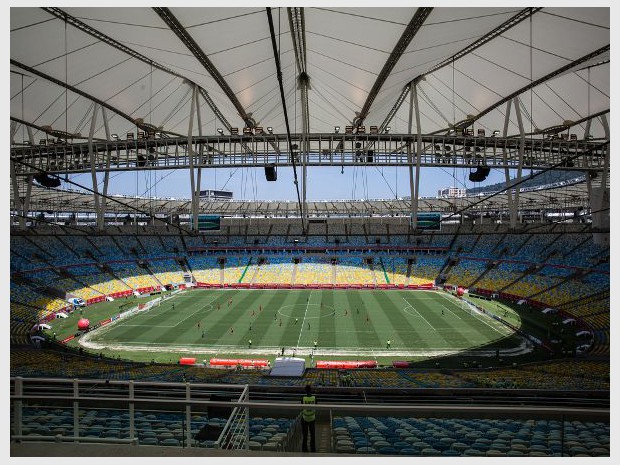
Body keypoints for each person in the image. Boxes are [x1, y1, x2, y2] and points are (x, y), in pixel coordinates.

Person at [301, 384, 317, 453]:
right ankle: (313, 449)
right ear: (311, 390)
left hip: (304, 418)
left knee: (305, 435)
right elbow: (316, 405)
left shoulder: (303, 398)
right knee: (312, 435)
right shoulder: (314, 398)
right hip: (312, 418)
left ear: (305, 390)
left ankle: (304, 449)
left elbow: (301, 406)